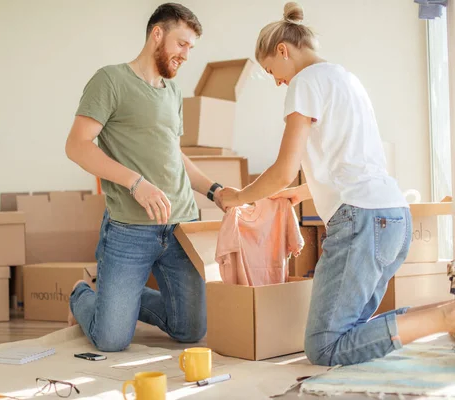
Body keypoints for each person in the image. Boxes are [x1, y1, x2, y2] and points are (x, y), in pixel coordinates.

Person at [220, 1, 455, 366]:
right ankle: (445, 312)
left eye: (272, 71)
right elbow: (349, 158)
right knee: (353, 330)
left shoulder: (304, 82)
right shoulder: (346, 78)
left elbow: (284, 169)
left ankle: (441, 319)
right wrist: (302, 191)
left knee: (325, 346)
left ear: (283, 50)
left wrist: (238, 196)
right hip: (393, 217)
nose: (278, 81)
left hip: (361, 221)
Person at [65, 3, 225, 352]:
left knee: (191, 330)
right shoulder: (111, 80)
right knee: (110, 340)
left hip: (181, 226)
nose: (186, 55)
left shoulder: (172, 92)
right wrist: (136, 183)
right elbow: (77, 146)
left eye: (190, 48)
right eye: (182, 44)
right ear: (157, 34)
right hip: (128, 228)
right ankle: (84, 293)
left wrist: (214, 191)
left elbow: (174, 154)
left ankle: (121, 297)